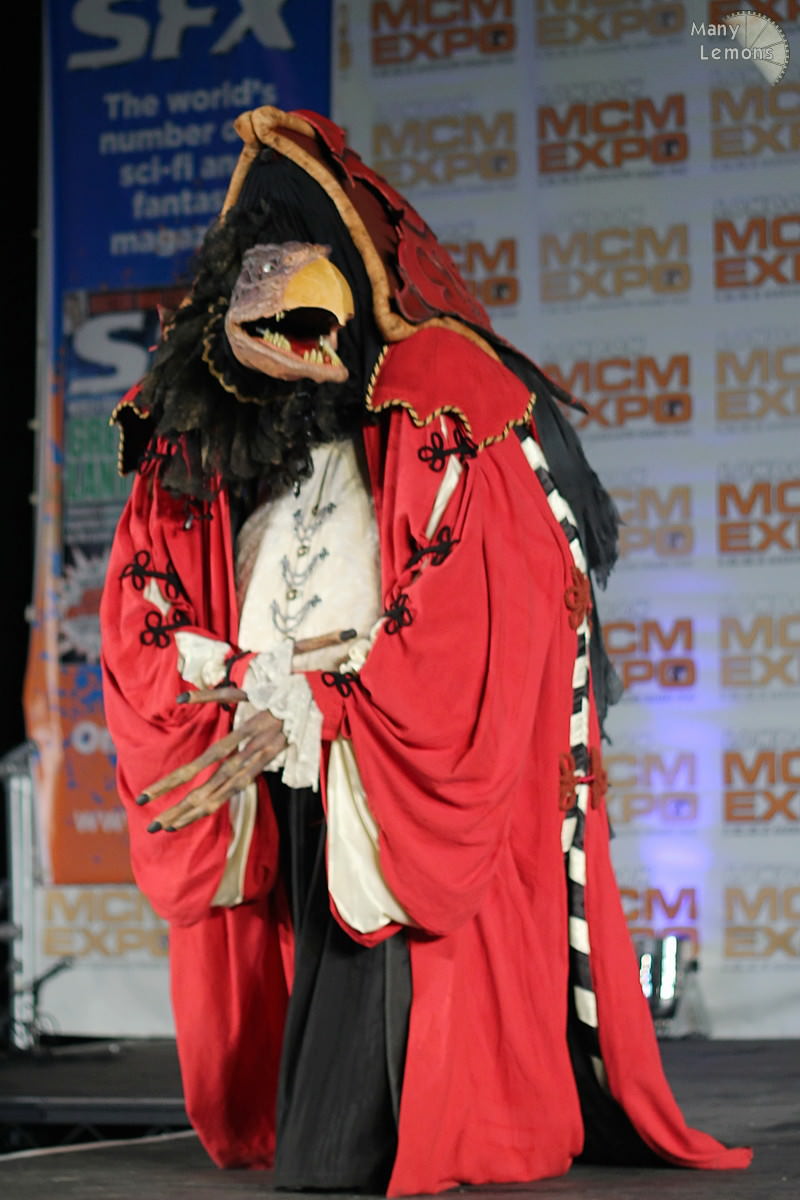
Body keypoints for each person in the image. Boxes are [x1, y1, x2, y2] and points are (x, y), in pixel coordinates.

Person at [100, 106, 751, 1196]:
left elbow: (473, 597)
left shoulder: (440, 393)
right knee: (307, 935)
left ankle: (405, 1126)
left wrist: (335, 701)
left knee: (372, 991)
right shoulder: (206, 412)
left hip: (379, 739)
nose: (288, 357)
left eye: (304, 324)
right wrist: (223, 679)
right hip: (281, 732)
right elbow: (145, 573)